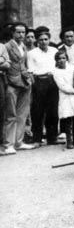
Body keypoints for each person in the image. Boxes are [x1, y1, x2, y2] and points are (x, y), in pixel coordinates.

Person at [3, 23, 34, 155]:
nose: (21, 35)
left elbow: (24, 64)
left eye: (23, 32)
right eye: (18, 32)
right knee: (11, 115)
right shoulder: (6, 46)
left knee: (22, 114)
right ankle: (8, 144)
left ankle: (18, 142)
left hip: (25, 82)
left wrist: (28, 77)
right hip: (11, 82)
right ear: (12, 33)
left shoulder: (24, 46)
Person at [27, 27, 59, 145]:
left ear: (49, 40)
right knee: (37, 110)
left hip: (53, 81)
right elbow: (30, 70)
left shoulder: (54, 51)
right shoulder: (31, 53)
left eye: (46, 39)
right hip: (39, 81)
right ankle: (37, 138)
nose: (44, 42)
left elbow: (58, 66)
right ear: (37, 41)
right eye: (41, 40)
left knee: (53, 110)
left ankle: (52, 137)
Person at [51, 50, 74, 149]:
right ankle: (69, 141)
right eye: (59, 59)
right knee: (68, 119)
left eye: (63, 58)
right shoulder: (56, 72)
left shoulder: (72, 68)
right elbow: (62, 86)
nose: (61, 60)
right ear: (56, 61)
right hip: (65, 96)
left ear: (66, 59)